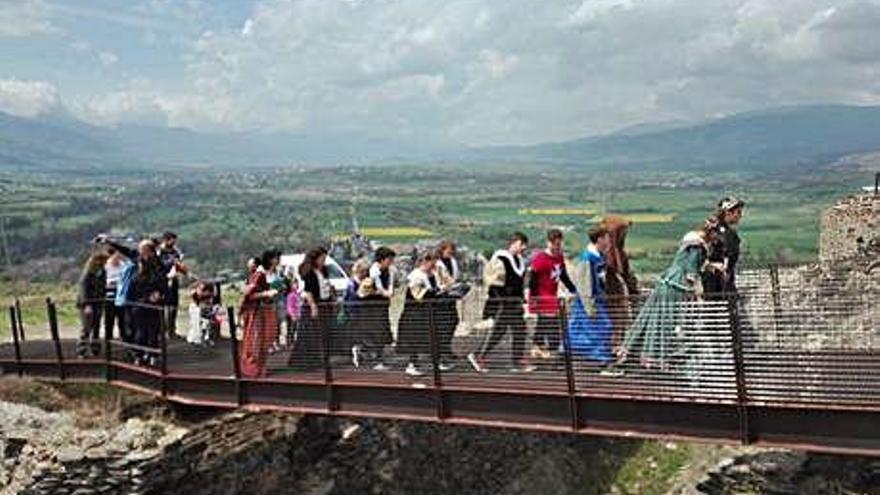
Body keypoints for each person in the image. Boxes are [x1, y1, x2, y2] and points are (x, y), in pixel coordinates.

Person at [618, 218, 724, 370]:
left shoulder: (692, 242)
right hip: (677, 284)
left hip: (668, 279)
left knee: (653, 318)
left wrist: (711, 266)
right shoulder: (698, 247)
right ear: (711, 233)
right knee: (667, 321)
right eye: (715, 236)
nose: (716, 239)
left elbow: (689, 262)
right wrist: (692, 290)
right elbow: (691, 270)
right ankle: (655, 356)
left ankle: (635, 353)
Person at [467, 232, 534, 373]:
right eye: (521, 244)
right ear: (513, 243)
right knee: (498, 331)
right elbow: (494, 284)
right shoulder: (501, 259)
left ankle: (516, 360)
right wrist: (504, 301)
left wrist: (520, 298)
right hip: (502, 303)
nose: (524, 247)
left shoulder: (518, 260)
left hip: (514, 303)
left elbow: (518, 284)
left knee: (519, 330)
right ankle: (478, 355)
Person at [566, 225, 618, 373]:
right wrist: (590, 306)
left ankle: (565, 354)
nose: (609, 241)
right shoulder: (587, 259)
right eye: (607, 238)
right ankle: (604, 363)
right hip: (589, 302)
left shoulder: (599, 256)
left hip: (596, 300)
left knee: (578, 330)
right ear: (600, 239)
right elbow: (584, 285)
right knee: (603, 328)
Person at [109, 238, 166, 366]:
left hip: (152, 303)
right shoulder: (139, 259)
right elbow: (127, 250)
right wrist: (110, 242)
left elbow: (162, 283)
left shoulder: (158, 265)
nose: (141, 253)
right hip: (137, 302)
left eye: (143, 251)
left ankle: (152, 355)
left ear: (150, 252)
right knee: (138, 330)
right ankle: (139, 354)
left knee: (152, 330)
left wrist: (159, 293)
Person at [526, 229, 579, 360]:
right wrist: (533, 299)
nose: (557, 247)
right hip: (542, 296)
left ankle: (537, 346)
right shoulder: (540, 259)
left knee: (544, 322)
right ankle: (551, 348)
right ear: (548, 243)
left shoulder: (559, 257)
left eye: (559, 244)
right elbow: (532, 280)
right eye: (555, 244)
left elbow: (563, 275)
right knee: (550, 323)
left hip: (552, 295)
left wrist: (573, 289)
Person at [289, 247, 335, 370]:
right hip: (313, 305)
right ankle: (304, 362)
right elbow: (308, 290)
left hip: (325, 303)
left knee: (323, 333)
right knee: (309, 334)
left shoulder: (323, 270)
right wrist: (313, 305)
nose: (323, 260)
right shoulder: (309, 272)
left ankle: (319, 359)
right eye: (322, 258)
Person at [599, 216, 640, 353]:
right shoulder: (606, 254)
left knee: (621, 324)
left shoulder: (619, 252)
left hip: (620, 297)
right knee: (613, 325)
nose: (624, 235)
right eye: (622, 232)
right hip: (611, 298)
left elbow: (627, 274)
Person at [396, 252, 440, 377]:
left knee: (424, 339)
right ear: (425, 261)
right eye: (432, 262)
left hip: (423, 312)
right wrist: (433, 292)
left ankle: (428, 363)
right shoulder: (416, 276)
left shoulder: (428, 274)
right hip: (414, 314)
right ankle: (412, 365)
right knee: (414, 339)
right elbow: (418, 295)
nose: (434, 265)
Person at [352, 247, 396, 370]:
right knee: (376, 333)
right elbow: (371, 289)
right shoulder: (373, 272)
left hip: (382, 305)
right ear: (381, 260)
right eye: (389, 259)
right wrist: (384, 293)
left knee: (381, 332)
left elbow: (390, 285)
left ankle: (363, 351)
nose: (391, 261)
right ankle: (377, 360)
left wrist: (389, 292)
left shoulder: (389, 270)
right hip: (371, 307)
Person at [239, 254, 279, 378]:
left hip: (262, 311)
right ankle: (254, 369)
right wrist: (266, 294)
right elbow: (249, 295)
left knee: (261, 341)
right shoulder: (258, 275)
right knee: (256, 341)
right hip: (256, 313)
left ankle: (258, 368)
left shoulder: (263, 275)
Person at [703, 197, 745, 298]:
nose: (740, 216)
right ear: (727, 213)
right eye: (738, 212)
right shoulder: (719, 232)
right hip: (716, 284)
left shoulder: (717, 229)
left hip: (720, 282)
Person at [435, 240, 465, 369]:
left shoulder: (452, 261)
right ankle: (441, 351)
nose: (451, 252)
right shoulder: (437, 263)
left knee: (453, 320)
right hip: (441, 297)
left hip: (451, 296)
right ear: (442, 250)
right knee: (443, 325)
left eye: (452, 250)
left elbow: (454, 277)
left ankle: (446, 347)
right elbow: (438, 280)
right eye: (448, 250)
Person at [76, 250, 108, 358]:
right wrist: (86, 304)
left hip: (98, 302)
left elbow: (103, 287)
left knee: (96, 327)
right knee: (86, 327)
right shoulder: (88, 273)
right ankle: (82, 350)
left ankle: (95, 348)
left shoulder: (102, 272)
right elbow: (83, 289)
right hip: (88, 304)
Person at [157, 232, 187, 339]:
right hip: (162, 281)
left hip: (174, 281)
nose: (174, 243)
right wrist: (171, 263)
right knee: (163, 307)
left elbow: (180, 265)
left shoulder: (176, 251)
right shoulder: (159, 251)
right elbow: (158, 265)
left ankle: (172, 329)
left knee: (174, 306)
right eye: (172, 240)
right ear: (166, 240)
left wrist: (180, 266)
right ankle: (161, 330)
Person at [103, 248, 128, 342]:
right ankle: (108, 338)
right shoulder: (106, 266)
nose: (118, 257)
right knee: (109, 320)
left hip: (121, 296)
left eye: (120, 255)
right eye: (116, 255)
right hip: (109, 296)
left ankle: (124, 337)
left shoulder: (123, 266)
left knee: (122, 319)